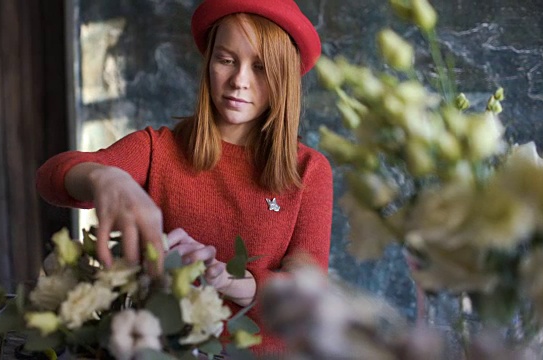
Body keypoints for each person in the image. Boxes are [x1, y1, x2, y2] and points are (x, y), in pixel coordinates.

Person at [36, 0, 333, 355]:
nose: (239, 80)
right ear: (208, 63)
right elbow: (52, 177)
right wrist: (106, 179)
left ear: (284, 76)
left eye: (260, 67)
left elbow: (307, 290)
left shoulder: (309, 170)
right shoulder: (158, 149)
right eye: (226, 60)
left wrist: (230, 280)